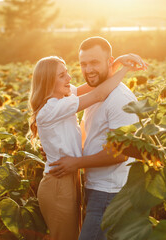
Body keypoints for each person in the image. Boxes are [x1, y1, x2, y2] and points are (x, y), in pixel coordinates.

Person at [29, 52, 146, 239]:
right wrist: (125, 69)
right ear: (48, 81)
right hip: (59, 183)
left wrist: (113, 65)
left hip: (68, 178)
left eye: (67, 72)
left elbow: (92, 85)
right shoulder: (52, 107)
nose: (69, 78)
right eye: (62, 75)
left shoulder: (63, 96)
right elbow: (98, 93)